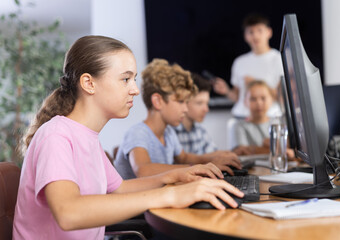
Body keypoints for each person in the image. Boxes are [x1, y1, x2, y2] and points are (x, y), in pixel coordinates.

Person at [12, 36, 244, 240]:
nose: (134, 89)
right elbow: (68, 212)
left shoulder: (87, 137)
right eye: (126, 79)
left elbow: (119, 189)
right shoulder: (56, 136)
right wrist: (170, 194)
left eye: (134, 79)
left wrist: (177, 174)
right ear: (89, 83)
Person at [114, 59, 242, 180]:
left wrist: (216, 158)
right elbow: (143, 170)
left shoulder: (168, 133)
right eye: (181, 101)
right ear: (158, 101)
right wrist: (197, 168)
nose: (185, 109)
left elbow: (184, 158)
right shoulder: (138, 133)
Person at [213, 13, 283, 119]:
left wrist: (255, 85)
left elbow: (284, 99)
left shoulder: (279, 59)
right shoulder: (239, 62)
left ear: (269, 32)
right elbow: (238, 97)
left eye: (260, 30)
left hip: (269, 118)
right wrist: (226, 91)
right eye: (251, 32)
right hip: (241, 117)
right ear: (245, 36)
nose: (255, 36)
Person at [173, 72, 218, 154]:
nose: (206, 109)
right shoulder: (171, 133)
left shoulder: (200, 130)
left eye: (207, 103)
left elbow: (214, 155)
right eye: (199, 103)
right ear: (184, 101)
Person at [232, 80, 273, 155]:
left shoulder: (279, 123)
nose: (259, 103)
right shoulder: (240, 126)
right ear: (245, 102)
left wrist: (254, 149)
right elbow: (244, 151)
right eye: (253, 99)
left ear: (271, 100)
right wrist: (274, 148)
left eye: (263, 98)